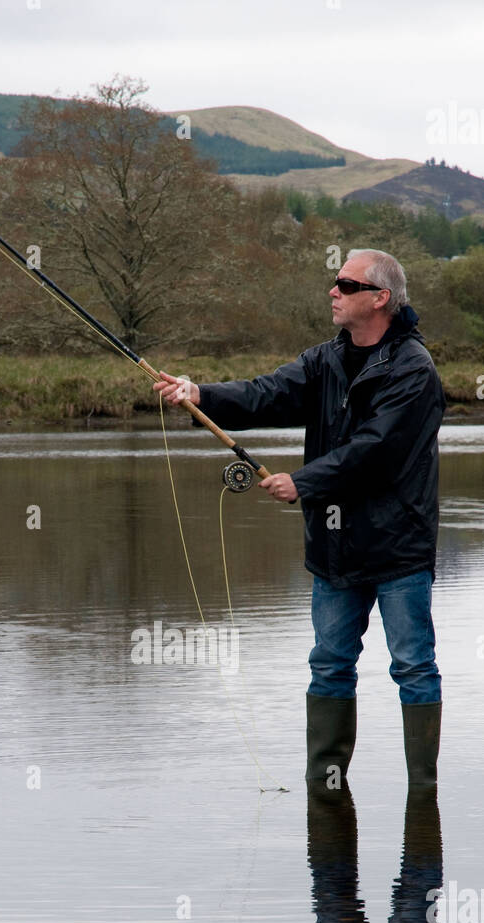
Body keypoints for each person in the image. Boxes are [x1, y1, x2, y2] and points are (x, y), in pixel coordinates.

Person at [154, 248, 445, 792]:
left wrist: (302, 483)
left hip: (399, 548)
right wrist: (199, 395)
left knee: (413, 667)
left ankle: (422, 796)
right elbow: (265, 394)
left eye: (345, 284)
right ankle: (326, 790)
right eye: (335, 283)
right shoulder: (324, 360)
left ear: (380, 298)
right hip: (334, 549)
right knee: (330, 664)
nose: (333, 291)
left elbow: (376, 451)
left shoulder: (414, 370)